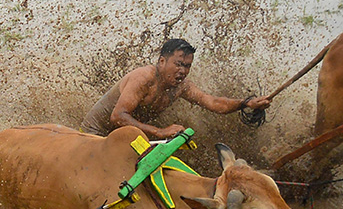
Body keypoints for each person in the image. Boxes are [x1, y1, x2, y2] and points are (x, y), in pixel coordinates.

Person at [81, 39, 270, 139]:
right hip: (95, 133)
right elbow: (118, 116)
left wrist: (247, 103)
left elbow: (213, 103)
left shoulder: (182, 87)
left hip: (122, 136)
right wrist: (159, 132)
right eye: (178, 64)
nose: (183, 71)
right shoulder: (144, 78)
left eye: (187, 66)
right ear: (162, 61)